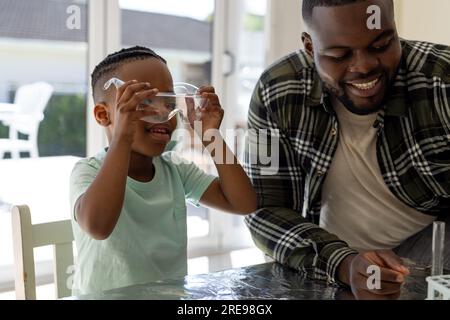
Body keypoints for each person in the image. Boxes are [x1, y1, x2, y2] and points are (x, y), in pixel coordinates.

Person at [244, 0, 450, 299]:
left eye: (381, 45)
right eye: (339, 55)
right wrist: (343, 262)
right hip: (327, 258)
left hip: (432, 248)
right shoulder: (275, 90)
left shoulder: (442, 81)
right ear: (310, 47)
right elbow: (264, 209)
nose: (364, 66)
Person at [69, 46, 257, 295]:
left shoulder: (176, 169)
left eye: (169, 102)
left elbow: (244, 203)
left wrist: (212, 136)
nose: (163, 113)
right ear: (104, 115)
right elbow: (98, 226)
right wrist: (122, 137)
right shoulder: (87, 171)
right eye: (143, 101)